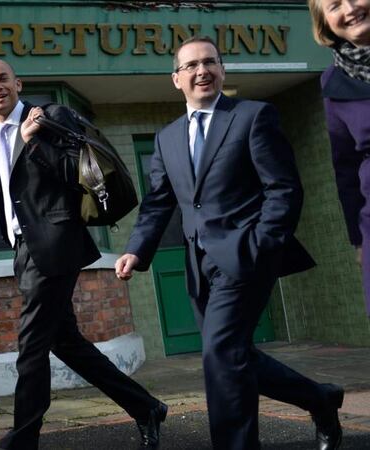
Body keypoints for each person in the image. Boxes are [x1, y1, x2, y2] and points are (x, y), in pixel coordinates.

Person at [114, 36, 344, 450]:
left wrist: (261, 244)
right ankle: (320, 398)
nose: (201, 71)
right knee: (233, 357)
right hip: (198, 266)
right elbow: (159, 202)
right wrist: (136, 248)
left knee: (220, 355)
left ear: (222, 70)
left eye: (210, 62)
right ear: (176, 79)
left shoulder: (253, 116)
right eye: (191, 66)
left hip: (245, 256)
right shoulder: (166, 139)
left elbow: (284, 189)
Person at [0, 58, 167, 450]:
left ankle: (23, 438)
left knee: (31, 346)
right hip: (24, 250)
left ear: (18, 83)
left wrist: (35, 143)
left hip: (55, 244)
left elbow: (83, 171)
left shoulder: (48, 116)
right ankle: (146, 407)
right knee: (66, 343)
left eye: (3, 79)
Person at [308, 0, 370, 317]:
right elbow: (345, 166)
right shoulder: (332, 82)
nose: (348, 9)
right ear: (325, 23)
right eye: (333, 6)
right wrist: (359, 240)